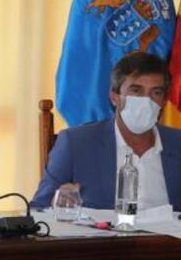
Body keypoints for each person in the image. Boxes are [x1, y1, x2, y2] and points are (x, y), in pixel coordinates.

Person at [32, 52, 181, 211]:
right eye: (136, 91)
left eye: (156, 93)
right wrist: (57, 204)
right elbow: (38, 209)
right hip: (104, 228)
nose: (146, 100)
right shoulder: (76, 144)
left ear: (164, 101)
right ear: (114, 97)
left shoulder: (177, 143)